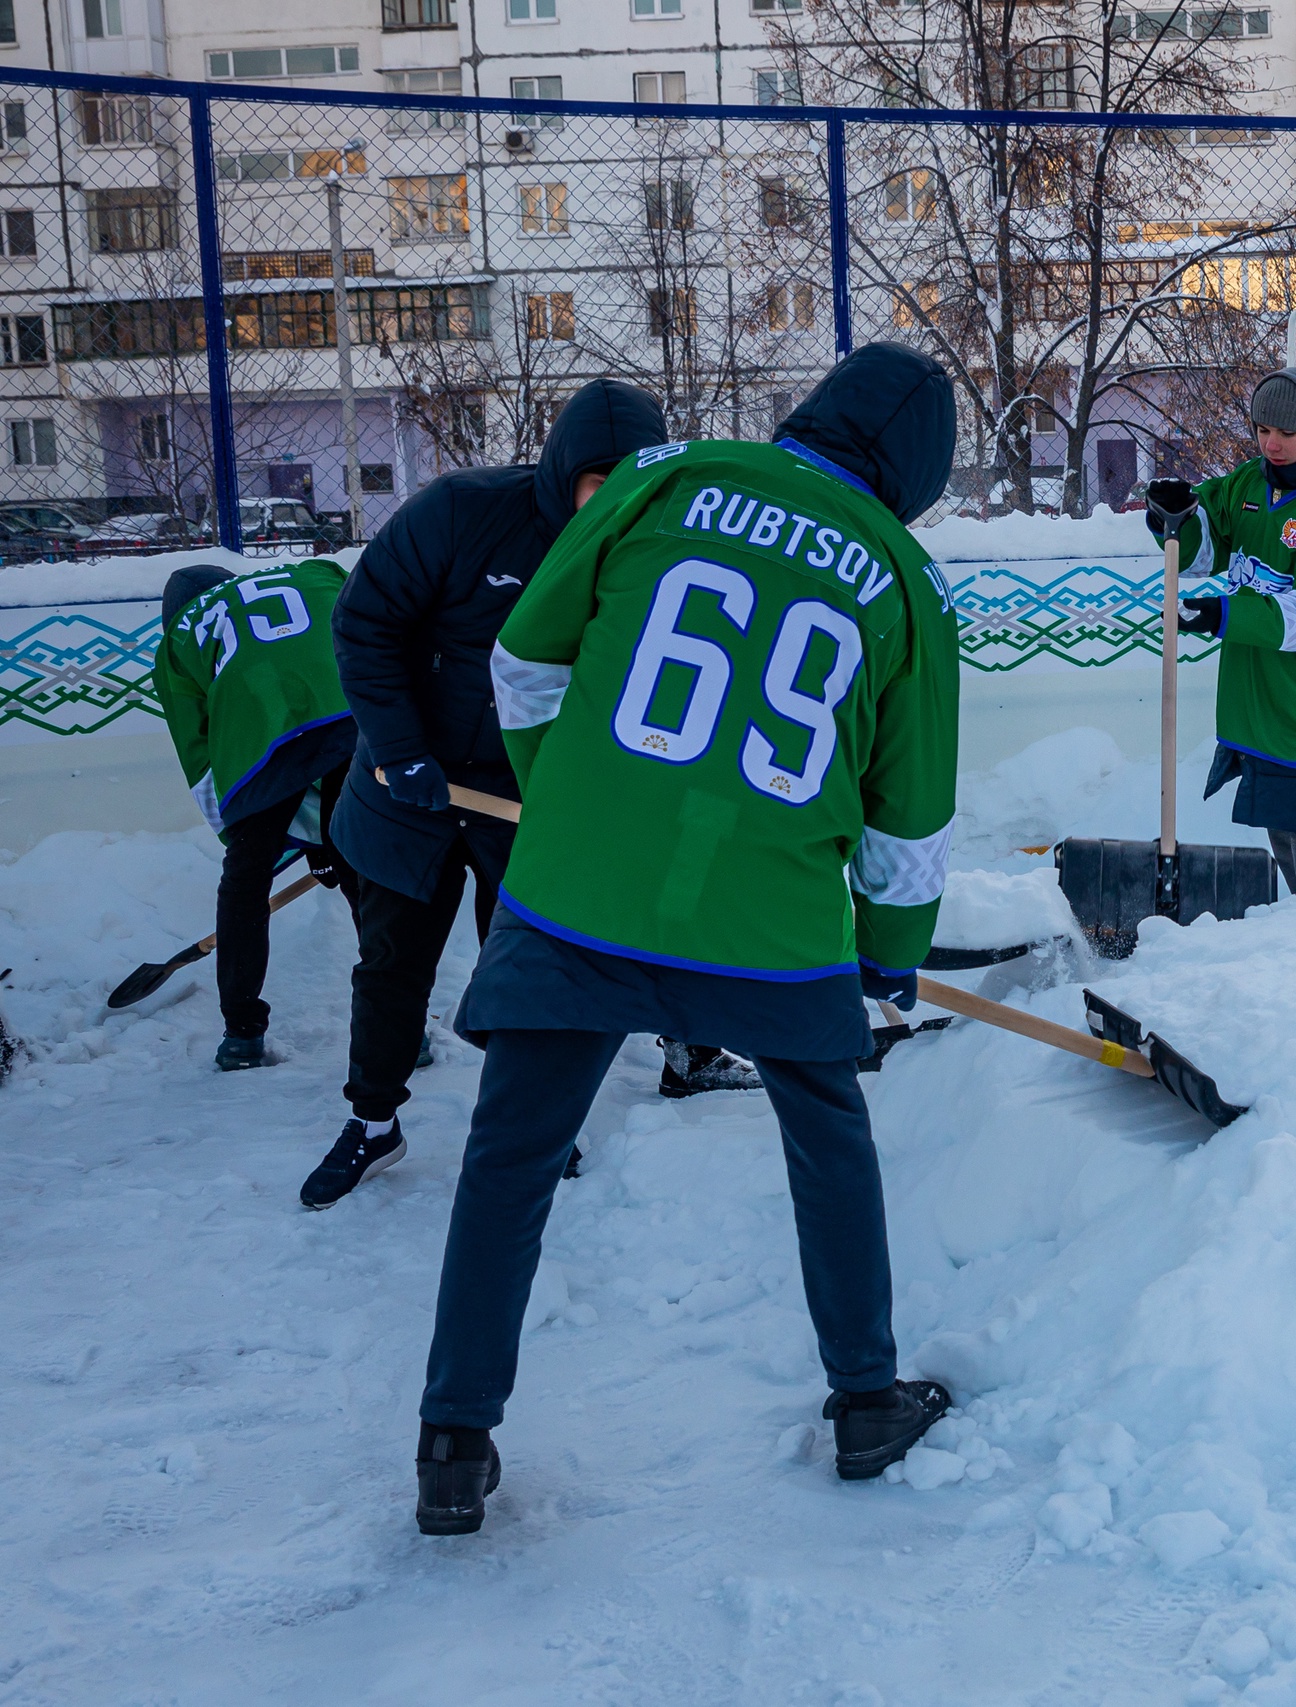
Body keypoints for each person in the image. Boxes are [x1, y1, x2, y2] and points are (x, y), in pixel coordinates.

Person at [412, 343, 961, 1536]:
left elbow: (523, 660)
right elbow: (908, 820)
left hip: (582, 895)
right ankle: (866, 1400)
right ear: (918, 475)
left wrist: (564, 804)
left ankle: (453, 1441)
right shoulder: (908, 586)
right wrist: (886, 957)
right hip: (772, 920)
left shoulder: (668, 478)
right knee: (830, 1142)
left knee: (509, 1159)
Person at [313, 378, 666, 1210]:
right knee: (394, 962)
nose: (609, 503)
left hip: (530, 802)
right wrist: (400, 752)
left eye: (630, 483)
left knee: (528, 966)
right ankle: (372, 1121)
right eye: (595, 482)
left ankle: (534, 1121)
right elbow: (365, 623)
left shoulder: (653, 552)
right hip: (414, 783)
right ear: (563, 471)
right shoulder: (462, 513)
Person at [1143, 366, 1296, 898]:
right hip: (1266, 719)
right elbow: (1205, 541)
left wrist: (1224, 615)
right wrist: (1177, 517)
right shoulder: (1253, 484)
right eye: (1262, 430)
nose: (1271, 444)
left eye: (1286, 432)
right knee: (1291, 864)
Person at [151, 559, 357, 1070]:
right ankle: (404, 1024)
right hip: (359, 704)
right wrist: (328, 844)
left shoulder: (178, 640)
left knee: (244, 886)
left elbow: (204, 764)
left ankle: (241, 1034)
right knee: (365, 861)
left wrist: (250, 848)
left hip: (257, 743)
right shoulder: (316, 571)